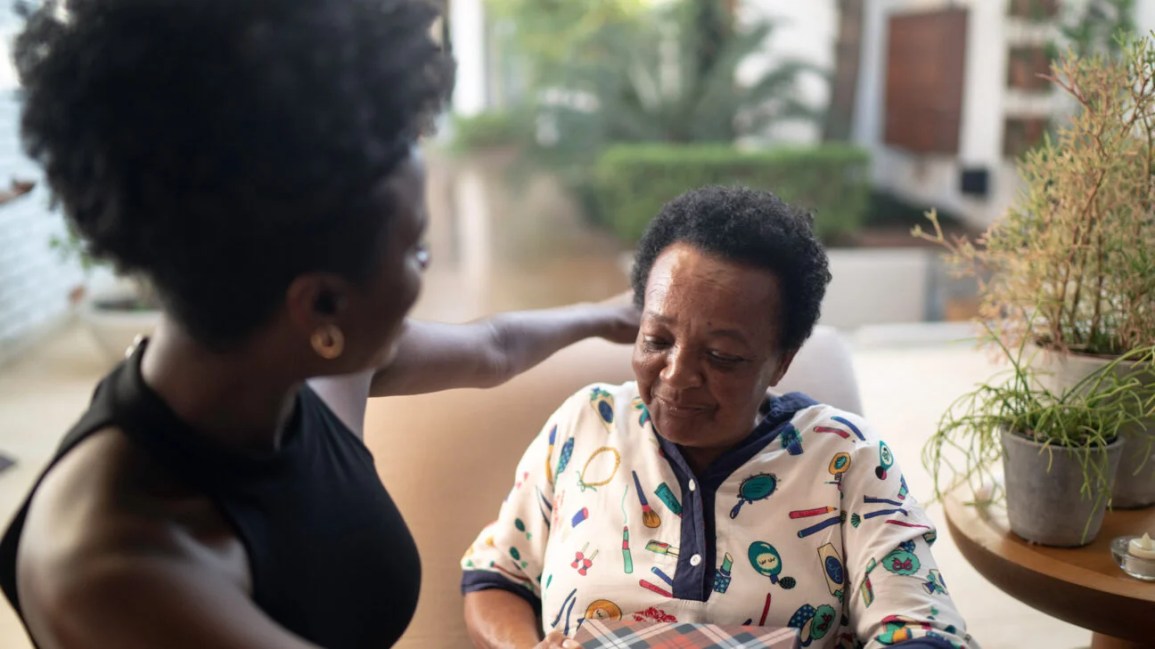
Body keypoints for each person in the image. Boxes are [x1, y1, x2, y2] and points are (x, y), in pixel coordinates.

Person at [0, 1, 637, 648]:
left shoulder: (291, 361)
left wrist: (607, 315)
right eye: (415, 248)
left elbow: (492, 346)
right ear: (321, 305)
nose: (426, 268)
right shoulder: (112, 565)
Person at [461, 186, 976, 649]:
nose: (678, 375)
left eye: (723, 356)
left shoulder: (846, 458)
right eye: (657, 340)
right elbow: (495, 577)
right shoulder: (587, 424)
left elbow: (922, 630)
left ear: (781, 361)